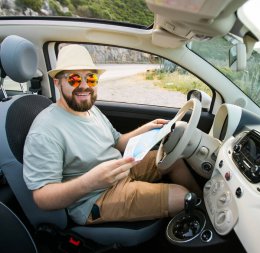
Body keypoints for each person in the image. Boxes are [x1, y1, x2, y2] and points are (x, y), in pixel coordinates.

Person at [23, 44, 202, 225]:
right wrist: (91, 182)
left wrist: (147, 128)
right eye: (74, 79)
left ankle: (203, 207)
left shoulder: (91, 110)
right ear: (57, 83)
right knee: (181, 196)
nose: (84, 86)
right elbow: (42, 198)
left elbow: (117, 142)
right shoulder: (45, 131)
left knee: (172, 157)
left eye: (90, 79)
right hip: (95, 197)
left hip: (120, 168)